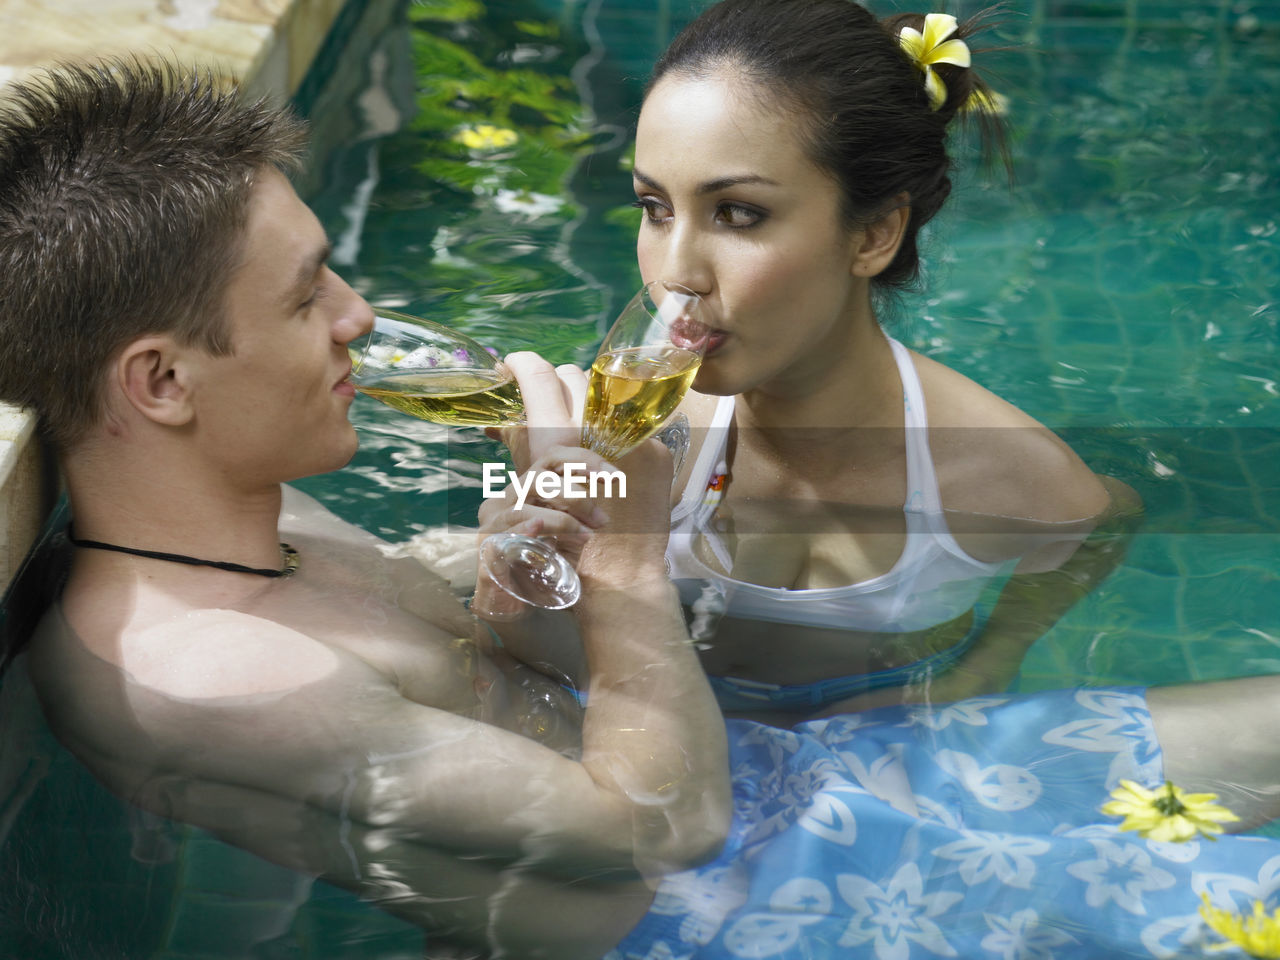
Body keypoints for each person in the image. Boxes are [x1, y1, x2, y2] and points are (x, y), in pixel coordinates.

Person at [5, 54, 1280, 960]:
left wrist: (536, 544)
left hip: (805, 778)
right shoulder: (202, 677)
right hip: (776, 917)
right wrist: (619, 553)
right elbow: (662, 833)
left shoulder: (278, 526)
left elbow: (511, 671)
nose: (358, 317)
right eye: (305, 299)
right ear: (161, 382)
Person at [496, 0, 1141, 726]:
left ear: (875, 233)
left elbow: (1105, 522)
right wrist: (520, 546)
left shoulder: (997, 469)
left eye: (738, 213)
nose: (676, 274)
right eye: (655, 207)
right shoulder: (633, 435)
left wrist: (991, 661)